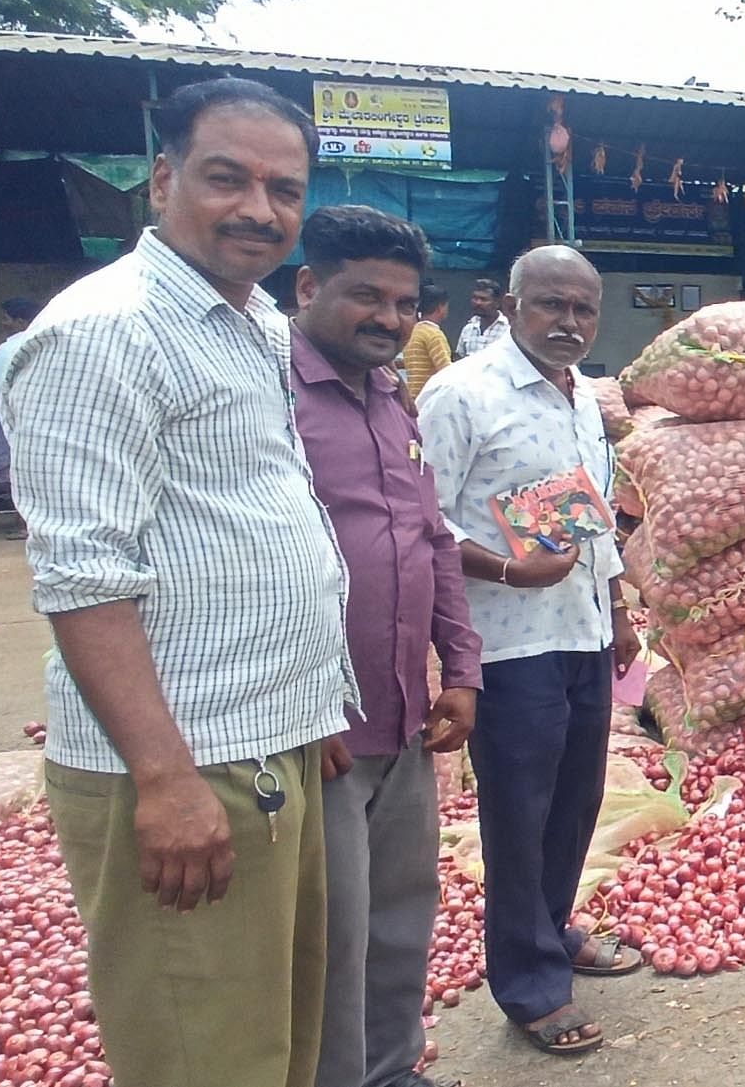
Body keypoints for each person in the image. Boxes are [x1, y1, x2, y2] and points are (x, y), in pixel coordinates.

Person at [5, 76, 353, 1087]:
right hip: (184, 764)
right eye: (226, 178)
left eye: (284, 189)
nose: (260, 209)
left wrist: (311, 696)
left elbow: (250, 514)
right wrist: (163, 779)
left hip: (268, 741)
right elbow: (83, 576)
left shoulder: (251, 327)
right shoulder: (102, 332)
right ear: (161, 180)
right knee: (200, 1055)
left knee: (270, 1043)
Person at [416, 244, 643, 1057]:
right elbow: (423, 521)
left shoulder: (584, 396)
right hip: (508, 646)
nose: (569, 323)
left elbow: (588, 515)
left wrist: (615, 606)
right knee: (518, 814)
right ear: (510, 307)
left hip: (580, 631)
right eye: (551, 304)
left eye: (583, 308)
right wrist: (510, 569)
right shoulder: (460, 394)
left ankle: (554, 927)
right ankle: (530, 983)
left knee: (576, 800)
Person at [287, 205, 483, 1087]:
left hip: (403, 707)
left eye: (405, 303)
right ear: (307, 287)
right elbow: (253, 562)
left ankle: (394, 1067)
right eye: (366, 295)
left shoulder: (389, 395)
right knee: (332, 926)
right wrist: (296, 696)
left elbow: (430, 538)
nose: (390, 319)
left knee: (404, 909)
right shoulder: (268, 397)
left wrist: (461, 669)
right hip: (317, 725)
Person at [0, 296, 40, 537]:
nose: (3, 323)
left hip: (9, 417)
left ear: (20, 321)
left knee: (10, 468)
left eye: (7, 318)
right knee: (35, 469)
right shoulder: (46, 339)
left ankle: (25, 523)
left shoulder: (9, 347)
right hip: (39, 418)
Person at [399, 281, 451, 405]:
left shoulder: (413, 331)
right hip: (429, 400)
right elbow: (446, 370)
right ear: (440, 308)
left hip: (413, 397)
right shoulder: (433, 334)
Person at [454, 278, 510, 356]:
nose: (478, 303)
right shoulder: (468, 328)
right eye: (475, 298)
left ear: (497, 303)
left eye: (483, 299)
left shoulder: (508, 330)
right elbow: (460, 357)